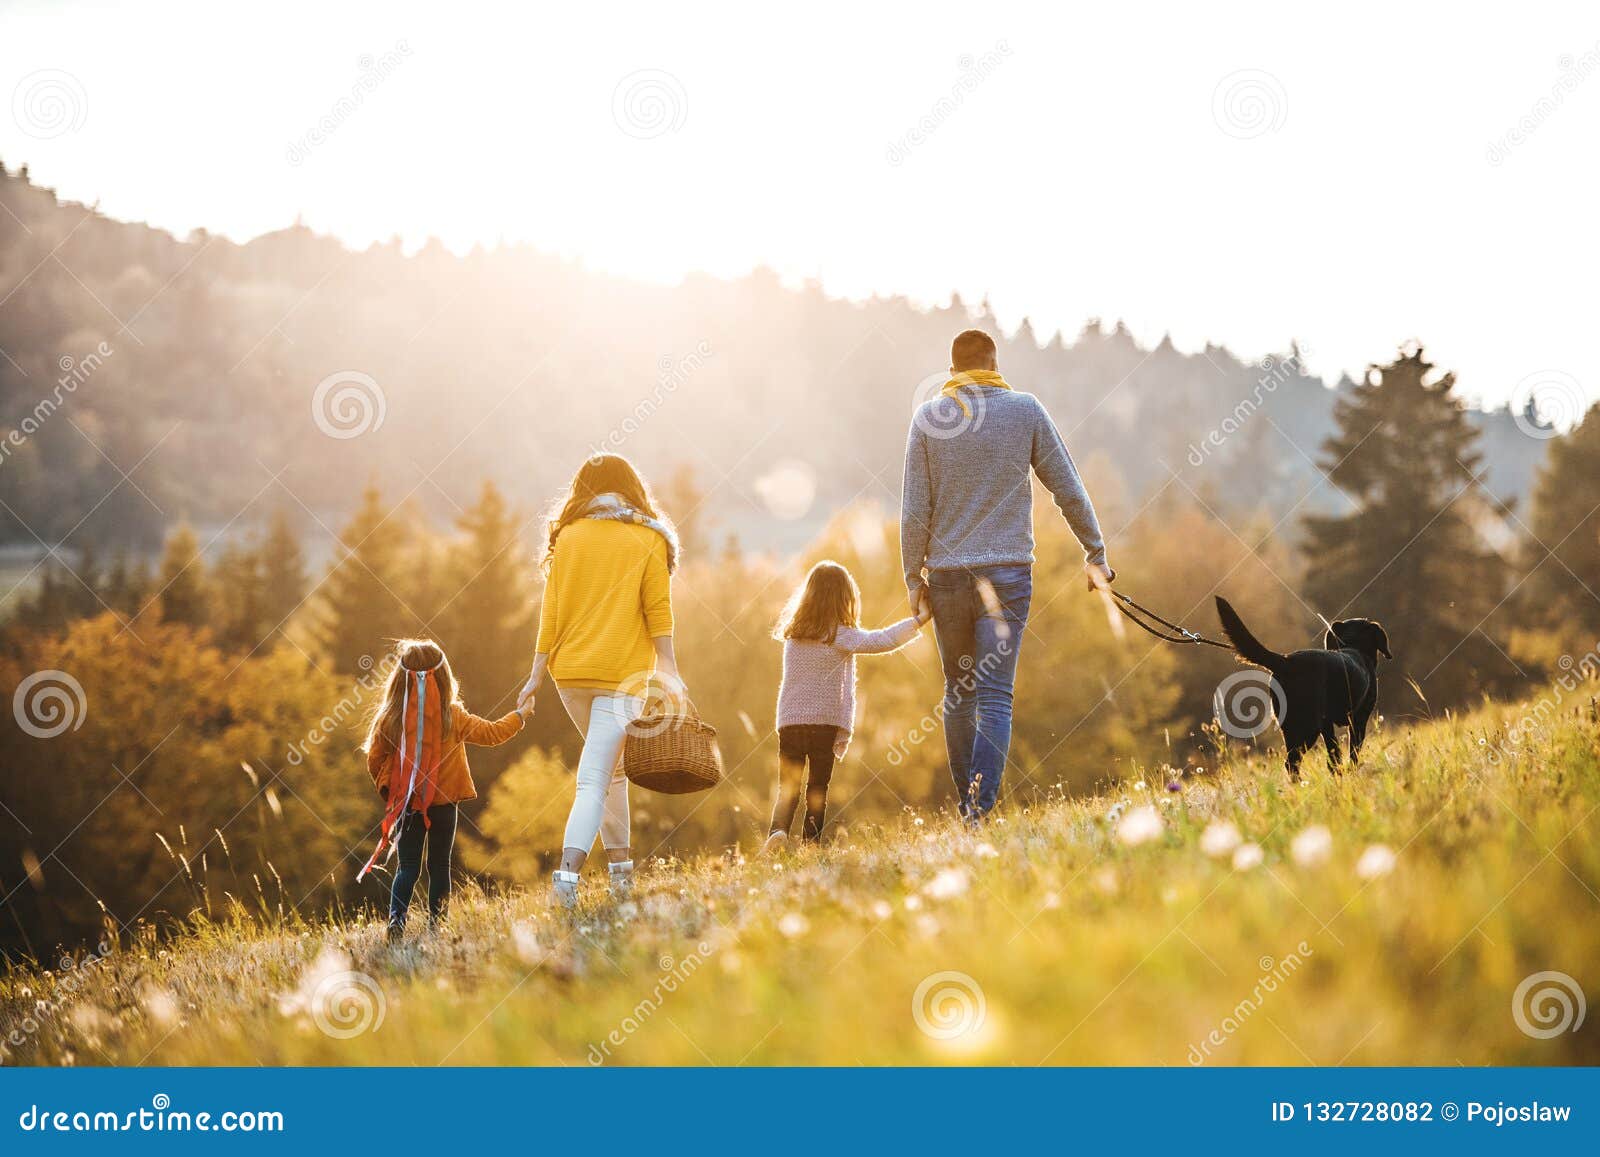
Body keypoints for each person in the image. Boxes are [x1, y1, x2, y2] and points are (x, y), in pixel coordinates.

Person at [900, 328, 1113, 821]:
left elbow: (914, 510)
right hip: (1008, 575)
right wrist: (1095, 551)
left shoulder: (929, 418)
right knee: (994, 696)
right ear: (995, 363)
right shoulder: (1025, 410)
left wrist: (913, 578)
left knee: (958, 694)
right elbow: (1068, 488)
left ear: (952, 371)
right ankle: (977, 811)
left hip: (948, 576)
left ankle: (967, 808)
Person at [517, 454, 682, 908]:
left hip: (569, 674)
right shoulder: (647, 537)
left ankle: (621, 876)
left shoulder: (567, 537)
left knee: (612, 774)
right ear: (631, 487)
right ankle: (566, 879)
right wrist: (669, 667)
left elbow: (550, 615)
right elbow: (658, 612)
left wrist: (534, 676)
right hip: (622, 676)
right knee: (596, 778)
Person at [360, 638, 527, 941]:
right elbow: (492, 734)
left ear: (398, 679)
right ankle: (438, 925)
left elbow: (374, 757)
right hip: (445, 806)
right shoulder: (454, 716)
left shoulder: (391, 718)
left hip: (408, 803)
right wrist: (519, 716)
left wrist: (390, 787)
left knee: (407, 866)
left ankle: (396, 922)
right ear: (444, 676)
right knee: (440, 865)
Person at [765, 560, 928, 852]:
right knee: (817, 788)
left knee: (787, 787)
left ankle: (777, 833)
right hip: (822, 725)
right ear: (844, 599)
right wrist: (918, 620)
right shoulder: (838, 635)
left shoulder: (794, 636)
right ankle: (811, 846)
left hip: (789, 722)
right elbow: (883, 640)